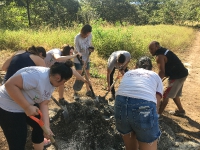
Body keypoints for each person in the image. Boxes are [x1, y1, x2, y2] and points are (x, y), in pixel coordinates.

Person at [0, 61, 73, 150]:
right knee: (18, 142)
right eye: (64, 81)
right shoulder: (37, 76)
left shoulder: (52, 81)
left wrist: (46, 126)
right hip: (8, 106)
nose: (63, 84)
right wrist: (27, 107)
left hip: (27, 104)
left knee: (40, 127)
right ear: (58, 77)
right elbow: (10, 85)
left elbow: (44, 103)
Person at [114, 56, 163, 150]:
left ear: (135, 66)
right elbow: (157, 102)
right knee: (148, 145)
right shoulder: (155, 76)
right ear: (151, 68)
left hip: (120, 104)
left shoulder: (128, 73)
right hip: (143, 105)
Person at [149, 41, 188, 116]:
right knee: (174, 93)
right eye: (150, 49)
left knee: (165, 95)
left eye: (152, 49)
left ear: (157, 47)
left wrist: (155, 83)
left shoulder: (160, 56)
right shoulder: (165, 51)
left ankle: (158, 115)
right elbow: (169, 64)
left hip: (177, 76)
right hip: (182, 73)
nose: (151, 51)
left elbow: (161, 72)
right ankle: (181, 110)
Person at [73, 24, 94, 100]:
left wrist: (91, 48)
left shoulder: (90, 35)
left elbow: (90, 44)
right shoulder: (77, 37)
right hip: (78, 57)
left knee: (87, 73)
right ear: (82, 32)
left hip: (86, 57)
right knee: (79, 72)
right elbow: (76, 50)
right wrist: (81, 60)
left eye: (88, 35)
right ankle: (75, 92)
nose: (86, 36)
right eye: (85, 35)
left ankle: (88, 90)